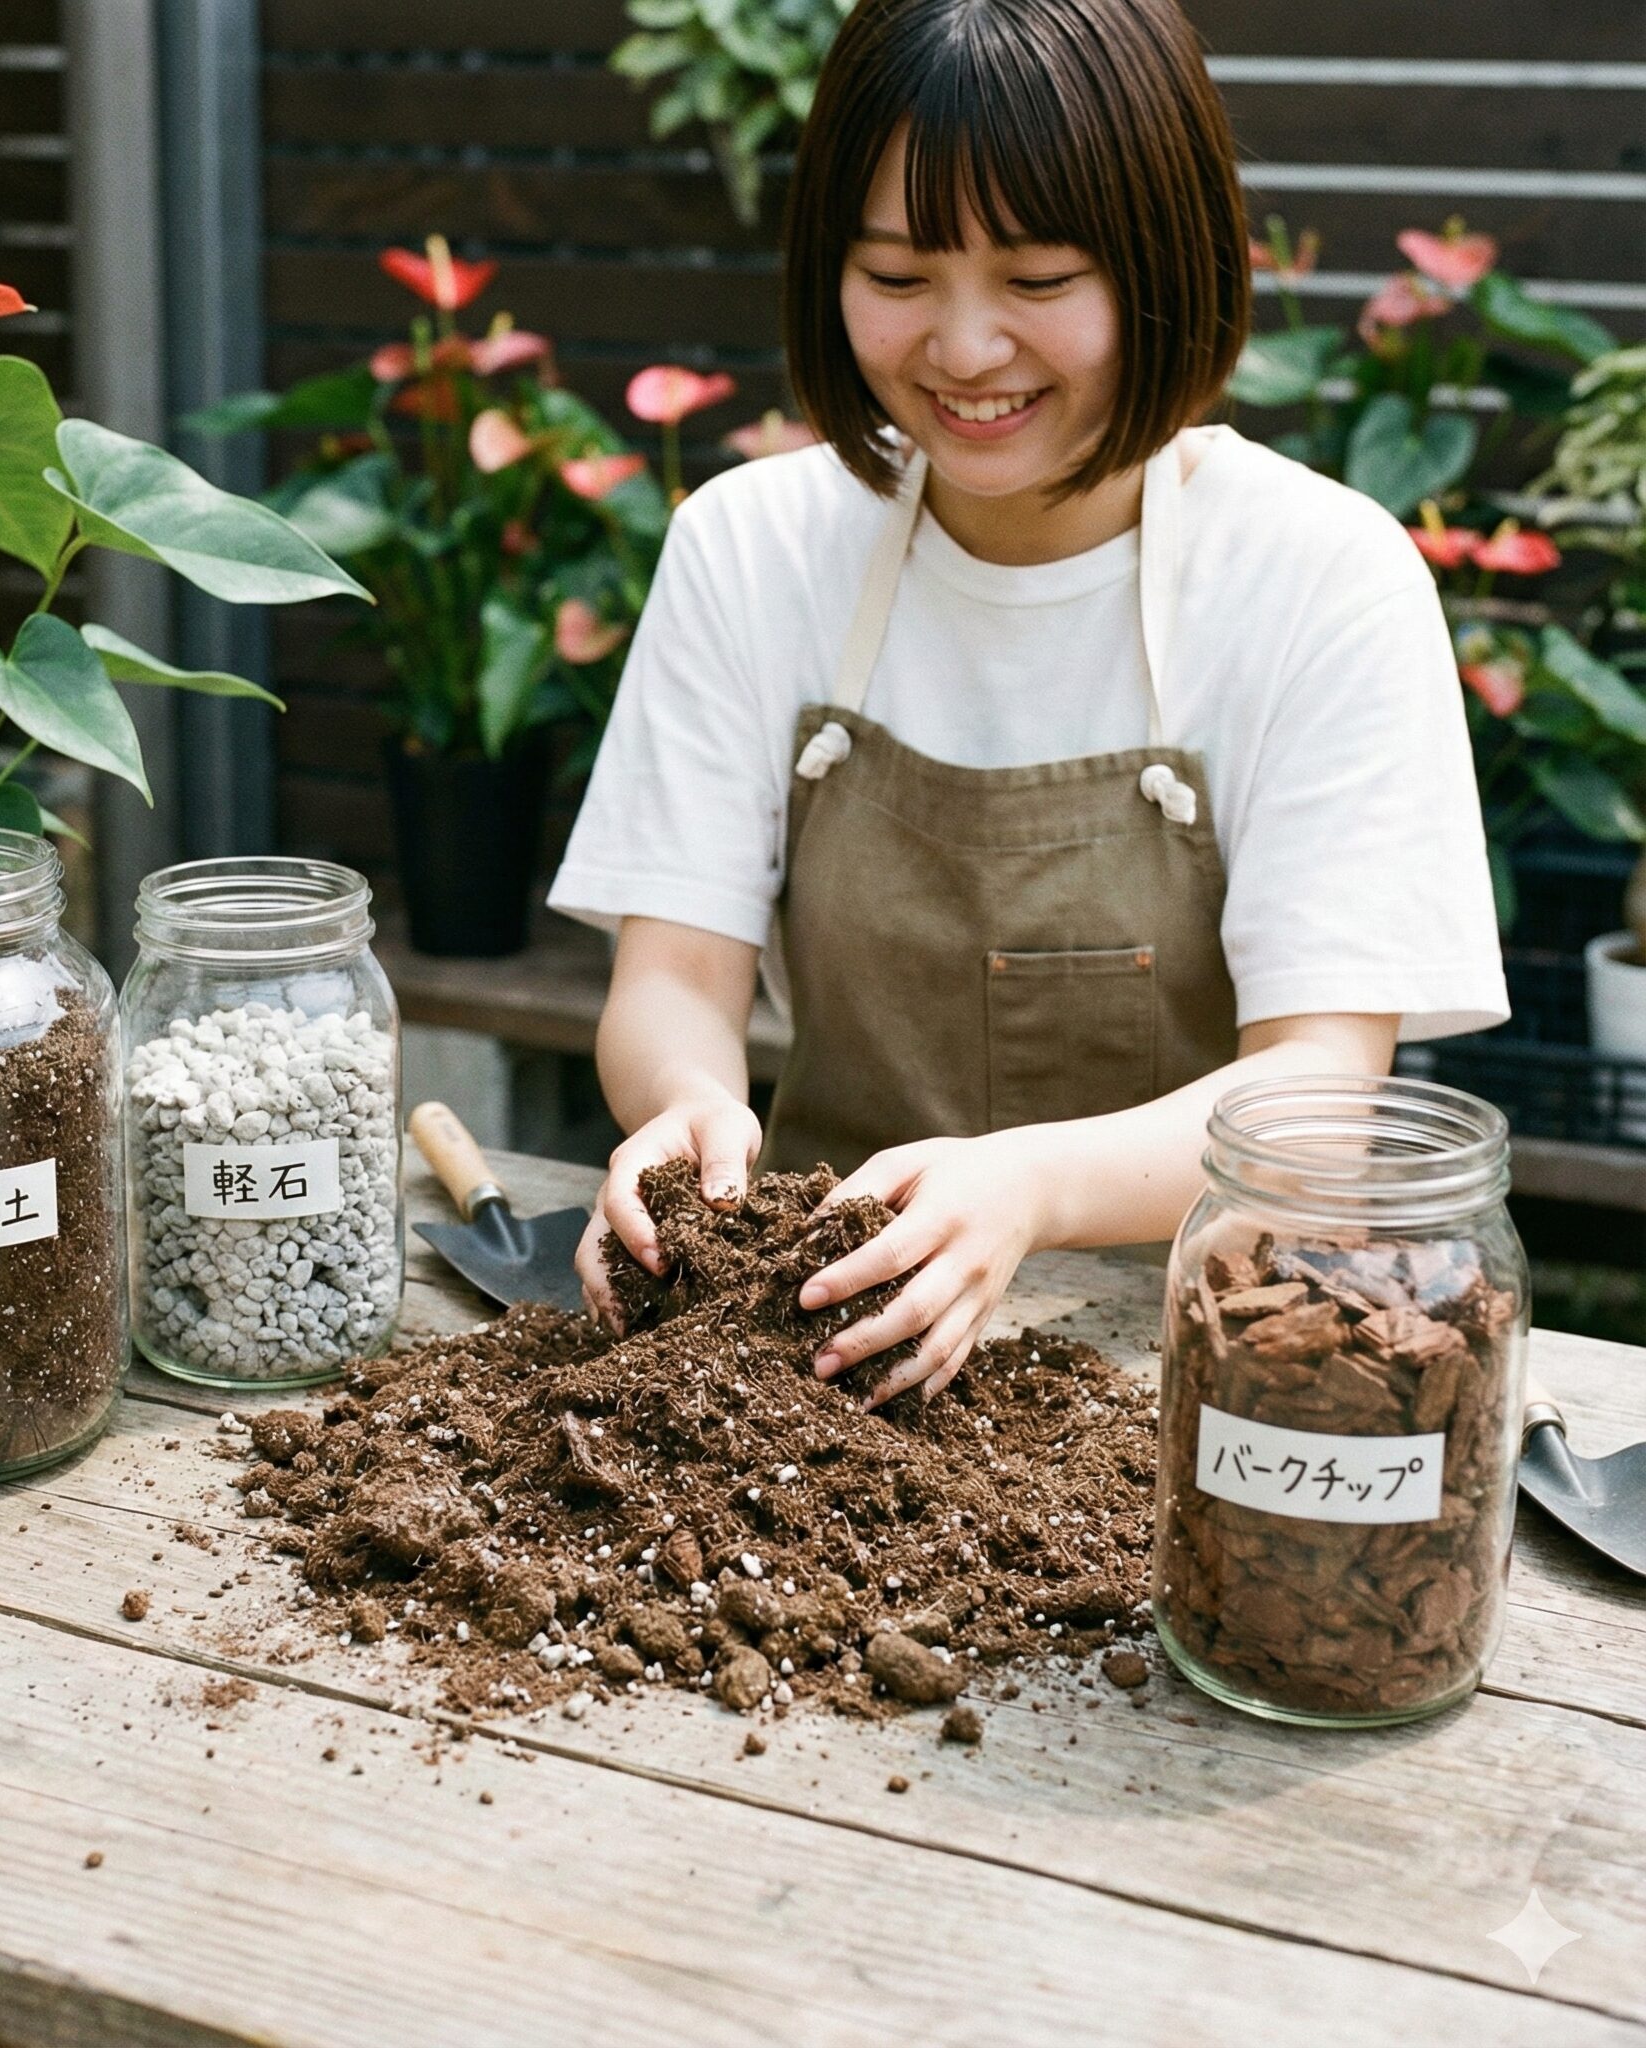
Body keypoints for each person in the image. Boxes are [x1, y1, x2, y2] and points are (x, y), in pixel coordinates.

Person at [547, 0, 1505, 1406]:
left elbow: (1322, 1099)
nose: (964, 348)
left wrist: (1029, 1188)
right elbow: (675, 979)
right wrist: (688, 1110)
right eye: (897, 273)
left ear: (1166, 265)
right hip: (823, 1350)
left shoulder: (1320, 576)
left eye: (1041, 278)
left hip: (1213, 1364)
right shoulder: (753, 547)